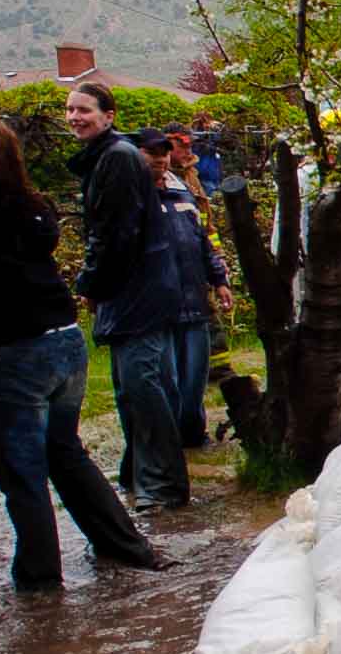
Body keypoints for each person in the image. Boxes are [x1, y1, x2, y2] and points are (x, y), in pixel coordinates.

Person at [0, 116, 166, 590]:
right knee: (65, 452)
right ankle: (125, 545)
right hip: (64, 342)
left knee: (22, 470)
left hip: (13, 352)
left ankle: (39, 576)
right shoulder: (35, 208)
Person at [65, 83, 190, 512]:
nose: (75, 117)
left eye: (84, 110)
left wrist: (89, 283)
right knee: (131, 389)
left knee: (144, 386)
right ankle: (139, 476)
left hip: (138, 291)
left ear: (109, 115)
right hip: (132, 289)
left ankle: (161, 486)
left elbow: (114, 232)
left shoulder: (116, 159)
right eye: (70, 110)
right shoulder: (108, 157)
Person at [138, 129, 233, 448]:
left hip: (194, 299)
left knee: (195, 378)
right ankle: (169, 441)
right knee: (168, 379)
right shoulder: (134, 196)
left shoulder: (182, 193)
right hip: (158, 306)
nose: (161, 159)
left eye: (164, 153)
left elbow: (204, 240)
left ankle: (193, 435)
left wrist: (219, 279)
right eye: (154, 153)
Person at [164, 124, 236, 385]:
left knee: (210, 314)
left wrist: (217, 256)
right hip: (180, 264)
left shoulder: (191, 175)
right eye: (180, 144)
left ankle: (219, 371)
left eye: (189, 144)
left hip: (201, 256)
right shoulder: (163, 179)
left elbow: (207, 224)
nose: (188, 149)